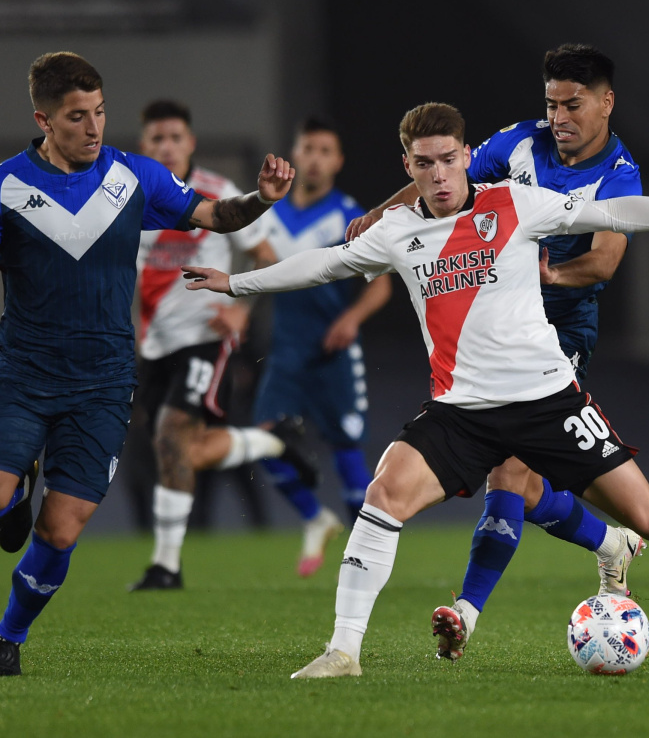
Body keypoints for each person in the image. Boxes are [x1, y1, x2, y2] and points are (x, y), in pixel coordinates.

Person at [183, 102, 649, 679]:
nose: (440, 174)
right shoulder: (395, 231)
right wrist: (236, 283)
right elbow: (321, 264)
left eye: (449, 159)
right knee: (384, 494)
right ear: (408, 167)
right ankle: (343, 651)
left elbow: (613, 215)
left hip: (550, 403)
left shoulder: (514, 204)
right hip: (461, 413)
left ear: (467, 154)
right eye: (424, 163)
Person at [0, 51, 295, 676]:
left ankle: (9, 637)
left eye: (100, 112)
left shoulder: (135, 177)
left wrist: (262, 199)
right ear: (43, 120)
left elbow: (217, 216)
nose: (94, 127)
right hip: (20, 375)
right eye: (77, 116)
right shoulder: (7, 187)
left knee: (60, 532)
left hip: (103, 382)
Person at [347, 44, 646, 659]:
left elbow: (604, 261)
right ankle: (609, 544)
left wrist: (550, 276)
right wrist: (380, 216)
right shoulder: (515, 142)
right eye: (551, 103)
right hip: (487, 328)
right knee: (525, 488)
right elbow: (442, 177)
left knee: (509, 474)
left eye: (573, 104)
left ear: (606, 102)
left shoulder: (621, 174)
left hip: (556, 333)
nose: (559, 116)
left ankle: (466, 613)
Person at [129, 99, 316, 591]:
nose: (166, 147)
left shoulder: (217, 193)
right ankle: (275, 439)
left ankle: (165, 566)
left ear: (190, 142)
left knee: (172, 437)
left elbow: (265, 254)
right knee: (182, 450)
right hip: (152, 344)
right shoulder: (132, 194)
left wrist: (241, 306)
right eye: (156, 139)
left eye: (175, 137)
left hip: (206, 339)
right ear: (143, 146)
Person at [251, 116, 392, 577]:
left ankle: (365, 560)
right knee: (261, 442)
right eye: (308, 147)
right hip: (288, 351)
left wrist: (351, 318)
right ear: (296, 153)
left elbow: (381, 285)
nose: (315, 158)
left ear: (338, 161)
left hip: (333, 352)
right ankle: (315, 517)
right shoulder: (268, 212)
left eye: (325, 150)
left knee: (347, 451)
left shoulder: (350, 216)